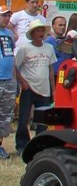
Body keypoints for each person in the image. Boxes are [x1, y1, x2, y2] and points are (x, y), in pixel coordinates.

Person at [14, 18, 57, 153]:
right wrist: (22, 81)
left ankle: (39, 145)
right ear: (32, 34)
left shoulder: (49, 48)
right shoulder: (25, 49)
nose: (40, 33)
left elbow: (50, 70)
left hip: (44, 89)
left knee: (43, 120)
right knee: (23, 118)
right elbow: (15, 67)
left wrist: (53, 89)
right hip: (29, 88)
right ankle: (22, 145)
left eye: (42, 31)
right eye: (37, 31)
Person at [0, 6, 16, 159]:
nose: (6, 19)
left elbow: (12, 56)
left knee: (5, 115)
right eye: (4, 16)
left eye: (8, 16)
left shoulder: (10, 34)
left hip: (9, 79)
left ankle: (0, 145)